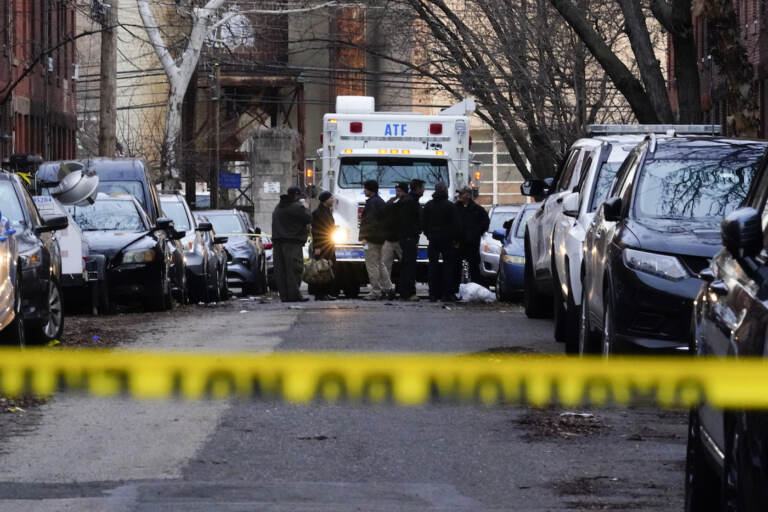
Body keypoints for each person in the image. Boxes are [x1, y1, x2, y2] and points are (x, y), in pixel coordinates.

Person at [271, 186, 311, 302]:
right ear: (297, 195)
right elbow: (308, 217)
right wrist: (307, 206)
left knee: (281, 270)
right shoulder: (297, 207)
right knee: (294, 269)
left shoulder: (278, 207)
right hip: (292, 243)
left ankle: (285, 296)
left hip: (278, 243)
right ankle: (294, 295)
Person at [422, 182, 460, 301]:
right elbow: (456, 224)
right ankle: (446, 293)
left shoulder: (429, 205)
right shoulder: (450, 206)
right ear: (445, 191)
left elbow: (423, 223)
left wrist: (429, 235)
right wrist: (455, 238)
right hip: (447, 240)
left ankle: (433, 293)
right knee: (448, 267)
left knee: (433, 267)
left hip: (433, 239)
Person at [359, 180, 392, 300]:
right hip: (380, 239)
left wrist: (364, 237)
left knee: (371, 265)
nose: (364, 191)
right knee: (380, 264)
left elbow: (369, 222)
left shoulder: (372, 203)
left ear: (370, 190)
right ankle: (388, 288)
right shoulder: (381, 202)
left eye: (366, 189)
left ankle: (376, 291)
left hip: (370, 240)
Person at [396, 179, 424, 301]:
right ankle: (408, 292)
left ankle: (404, 291)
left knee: (406, 265)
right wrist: (415, 231)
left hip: (406, 237)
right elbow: (408, 221)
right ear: (417, 188)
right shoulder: (410, 202)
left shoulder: (408, 200)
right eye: (422, 187)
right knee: (409, 266)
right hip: (408, 238)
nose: (424, 190)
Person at [456, 186, 490, 284]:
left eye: (462, 194)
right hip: (459, 243)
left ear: (468, 195)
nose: (460, 196)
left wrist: (476, 233)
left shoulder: (477, 210)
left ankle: (475, 287)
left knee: (474, 267)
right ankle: (456, 289)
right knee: (456, 267)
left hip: (472, 244)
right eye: (460, 194)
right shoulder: (455, 208)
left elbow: (485, 223)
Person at [381, 182, 406, 299]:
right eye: (397, 190)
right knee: (385, 265)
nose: (398, 192)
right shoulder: (391, 201)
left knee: (405, 265)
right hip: (390, 238)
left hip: (401, 239)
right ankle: (386, 289)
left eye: (400, 190)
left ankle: (403, 288)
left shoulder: (406, 203)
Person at [310, 191, 337, 300]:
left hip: (328, 243)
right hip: (322, 245)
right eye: (331, 198)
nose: (333, 200)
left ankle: (326, 292)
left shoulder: (327, 211)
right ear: (325, 200)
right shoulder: (318, 213)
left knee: (328, 268)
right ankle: (320, 293)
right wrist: (317, 247)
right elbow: (317, 231)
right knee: (321, 269)